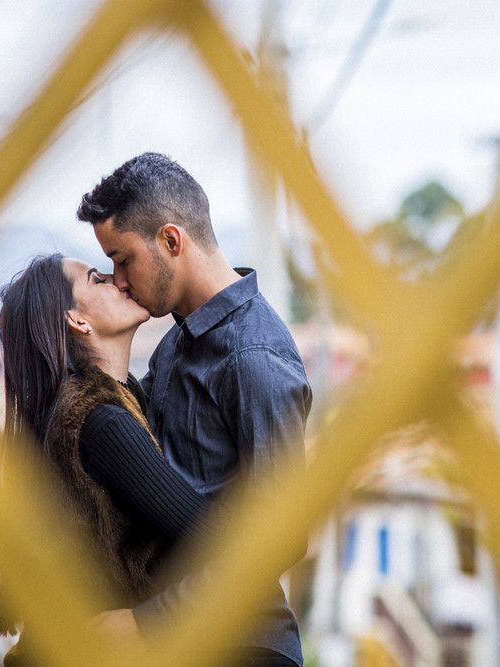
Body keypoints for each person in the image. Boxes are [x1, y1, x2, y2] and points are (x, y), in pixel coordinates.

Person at [77, 152, 312, 667]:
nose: (117, 279)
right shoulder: (178, 342)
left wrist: (145, 622)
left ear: (171, 240)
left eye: (122, 259)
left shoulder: (254, 357)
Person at [0, 253, 212, 665]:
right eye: (97, 279)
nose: (118, 279)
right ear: (77, 320)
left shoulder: (78, 411)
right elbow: (215, 538)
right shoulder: (99, 420)